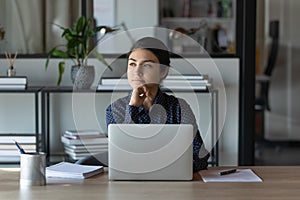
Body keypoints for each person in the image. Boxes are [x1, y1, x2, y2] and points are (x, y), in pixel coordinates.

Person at [106, 37, 209, 172]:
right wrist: (133, 108)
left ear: (163, 71)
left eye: (147, 65)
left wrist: (173, 170)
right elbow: (123, 154)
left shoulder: (179, 107)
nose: (137, 71)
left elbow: (200, 156)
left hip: (173, 183)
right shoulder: (115, 109)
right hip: (129, 184)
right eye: (132, 64)